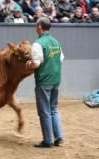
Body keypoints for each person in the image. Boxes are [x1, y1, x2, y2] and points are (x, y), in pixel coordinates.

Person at [26, 17, 64, 148]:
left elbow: (36, 63)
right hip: (56, 80)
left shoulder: (38, 43)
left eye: (36, 25)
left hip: (44, 81)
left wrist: (28, 64)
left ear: (40, 27)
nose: (35, 28)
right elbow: (61, 59)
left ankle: (48, 140)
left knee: (44, 111)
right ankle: (58, 136)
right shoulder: (56, 42)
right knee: (53, 109)